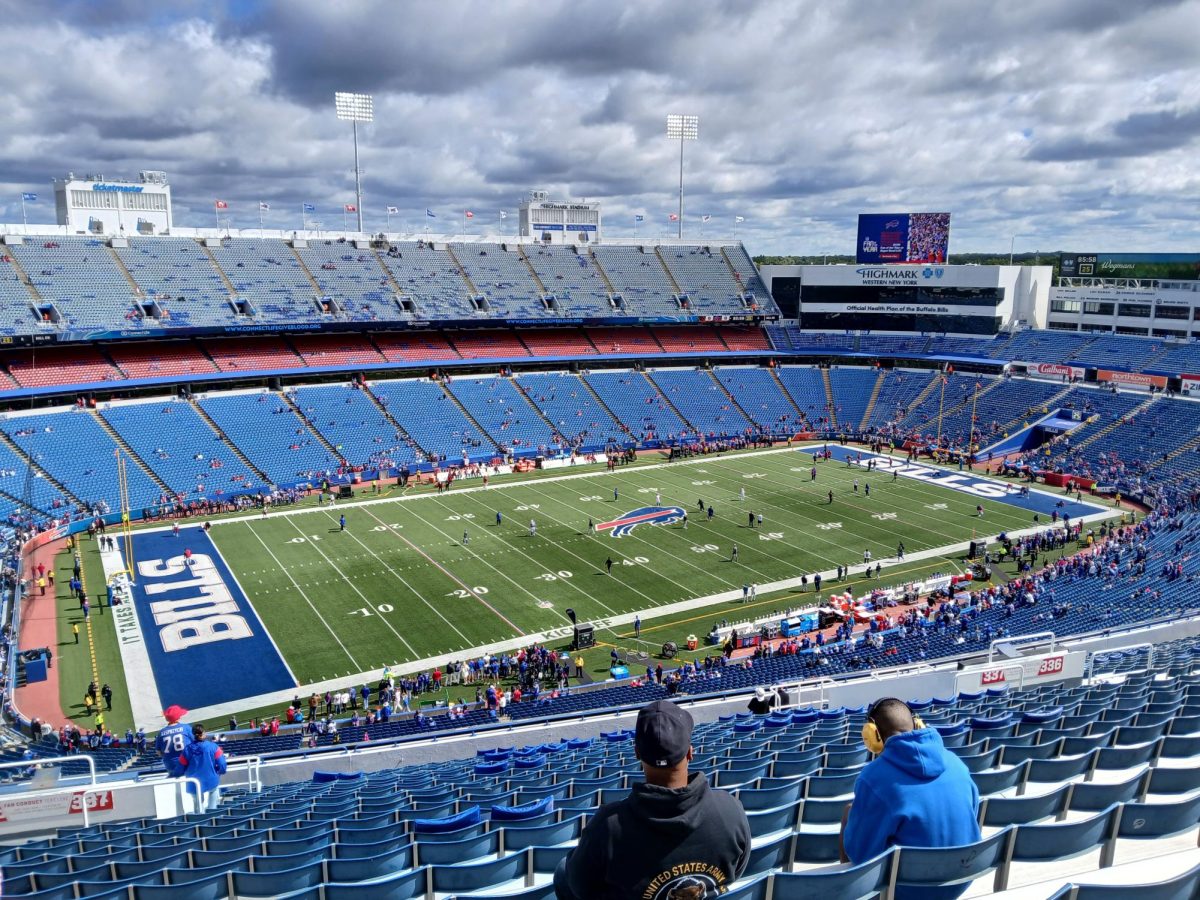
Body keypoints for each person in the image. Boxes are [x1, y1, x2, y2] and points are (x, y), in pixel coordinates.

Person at [555, 700, 750, 900]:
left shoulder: (608, 826)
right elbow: (738, 869)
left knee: (563, 871)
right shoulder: (731, 809)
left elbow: (580, 886)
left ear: (637, 753)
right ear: (690, 752)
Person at [841, 698, 981, 899]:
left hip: (909, 889)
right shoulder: (955, 762)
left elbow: (862, 854)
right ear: (917, 724)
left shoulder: (873, 779)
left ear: (873, 735)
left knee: (849, 813)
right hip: (962, 877)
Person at [178, 724, 227, 812]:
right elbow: (222, 765)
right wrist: (219, 772)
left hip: (193, 782)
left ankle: (201, 819)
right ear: (203, 733)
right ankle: (212, 815)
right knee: (213, 798)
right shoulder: (213, 747)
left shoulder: (187, 750)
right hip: (211, 779)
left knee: (198, 808)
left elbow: (181, 767)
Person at [156, 705, 195, 777]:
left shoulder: (161, 732)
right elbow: (196, 742)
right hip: (187, 764)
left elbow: (158, 752)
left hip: (170, 765)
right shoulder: (186, 728)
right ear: (179, 717)